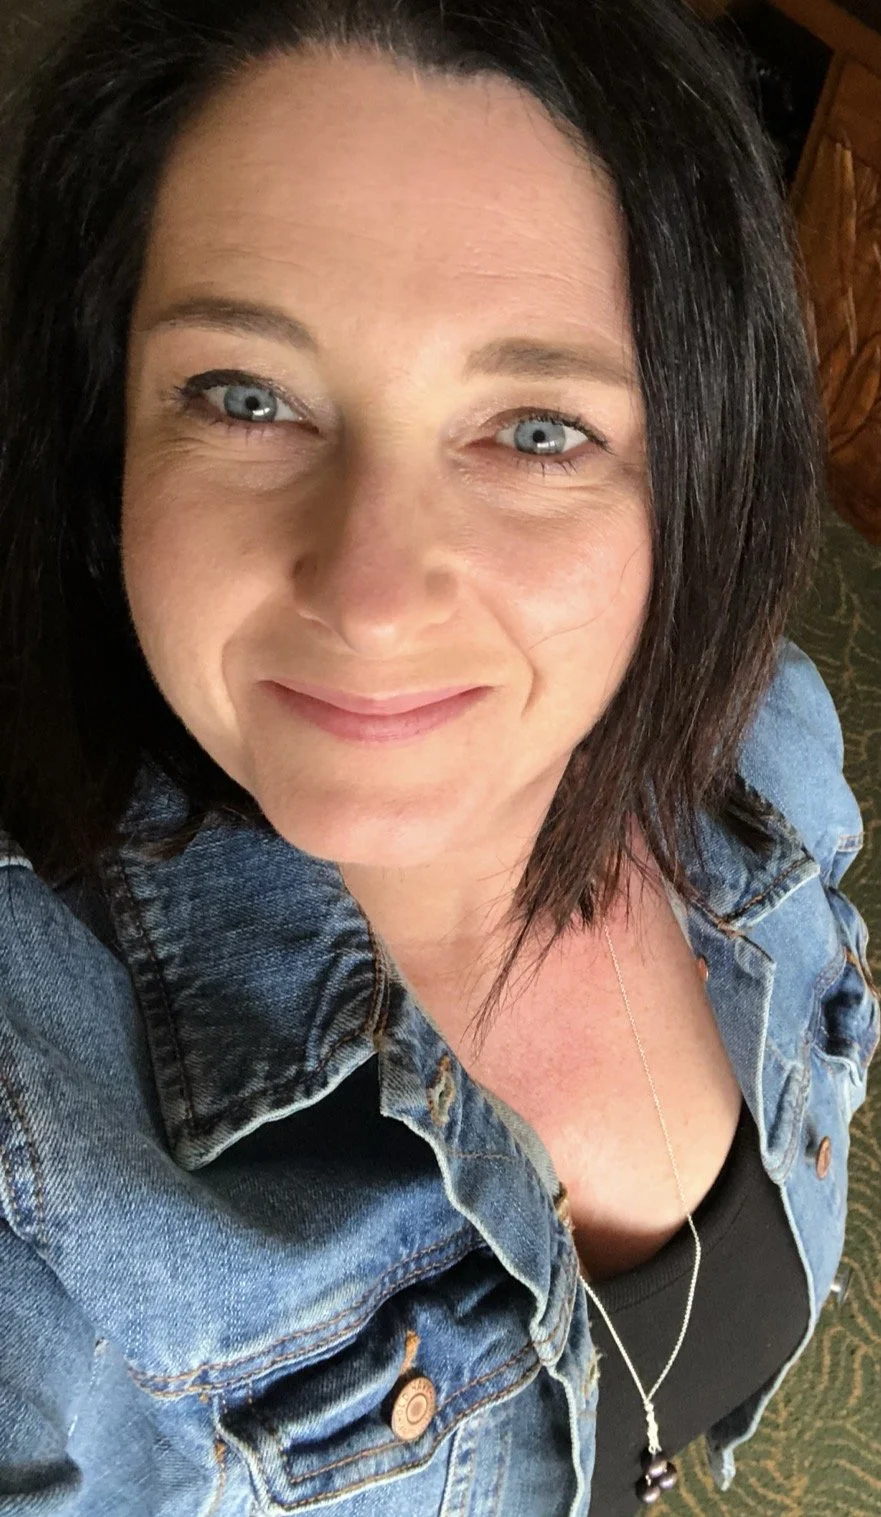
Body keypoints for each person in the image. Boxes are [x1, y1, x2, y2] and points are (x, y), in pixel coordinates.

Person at [0, 0, 877, 1512]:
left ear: (695, 468)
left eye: (534, 430)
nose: (371, 600)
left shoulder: (771, 743)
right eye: (247, 398)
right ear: (104, 433)